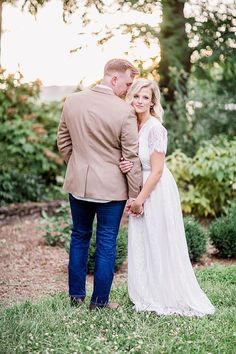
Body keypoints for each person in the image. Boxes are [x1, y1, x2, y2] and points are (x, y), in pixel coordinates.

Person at [119, 78, 215, 316]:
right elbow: (136, 159)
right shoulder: (132, 126)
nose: (140, 101)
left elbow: (158, 169)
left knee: (158, 238)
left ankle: (166, 292)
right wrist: (126, 166)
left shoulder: (155, 128)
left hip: (156, 189)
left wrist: (140, 198)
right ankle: (146, 290)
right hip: (141, 186)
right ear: (130, 97)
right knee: (143, 239)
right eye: (136, 96)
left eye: (145, 97)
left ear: (152, 102)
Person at [57, 59, 142, 310]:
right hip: (111, 189)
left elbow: (63, 140)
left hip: (78, 185)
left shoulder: (72, 101)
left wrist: (76, 165)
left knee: (79, 237)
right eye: (127, 83)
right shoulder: (124, 110)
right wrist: (135, 195)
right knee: (106, 242)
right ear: (113, 78)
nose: (129, 89)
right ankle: (100, 303)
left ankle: (76, 297)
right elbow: (131, 156)